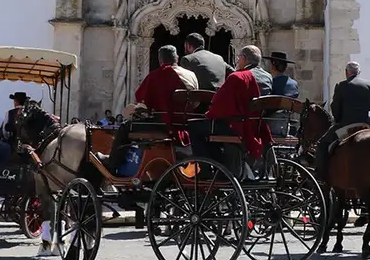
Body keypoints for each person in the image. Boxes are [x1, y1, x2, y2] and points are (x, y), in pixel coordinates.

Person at [106, 45, 190, 174]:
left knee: (125, 127)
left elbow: (141, 98)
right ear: (177, 58)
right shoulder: (190, 75)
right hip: (184, 127)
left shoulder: (157, 75)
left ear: (160, 60)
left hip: (162, 126)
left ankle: (113, 164)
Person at [188, 46, 266, 176]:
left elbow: (219, 103)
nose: (237, 61)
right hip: (250, 124)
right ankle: (218, 163)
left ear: (243, 59)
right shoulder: (251, 77)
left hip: (235, 126)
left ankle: (206, 168)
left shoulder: (236, 77)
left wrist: (209, 114)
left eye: (238, 58)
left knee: (194, 126)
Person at [314, 62, 370, 180]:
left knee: (322, 144)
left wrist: (338, 119)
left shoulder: (341, 85)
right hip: (365, 125)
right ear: (358, 72)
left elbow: (335, 108)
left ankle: (322, 177)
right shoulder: (369, 85)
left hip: (346, 125)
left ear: (346, 72)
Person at [262, 51, 299, 137]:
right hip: (286, 126)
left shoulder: (270, 83)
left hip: (269, 127)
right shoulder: (293, 84)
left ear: (273, 64)